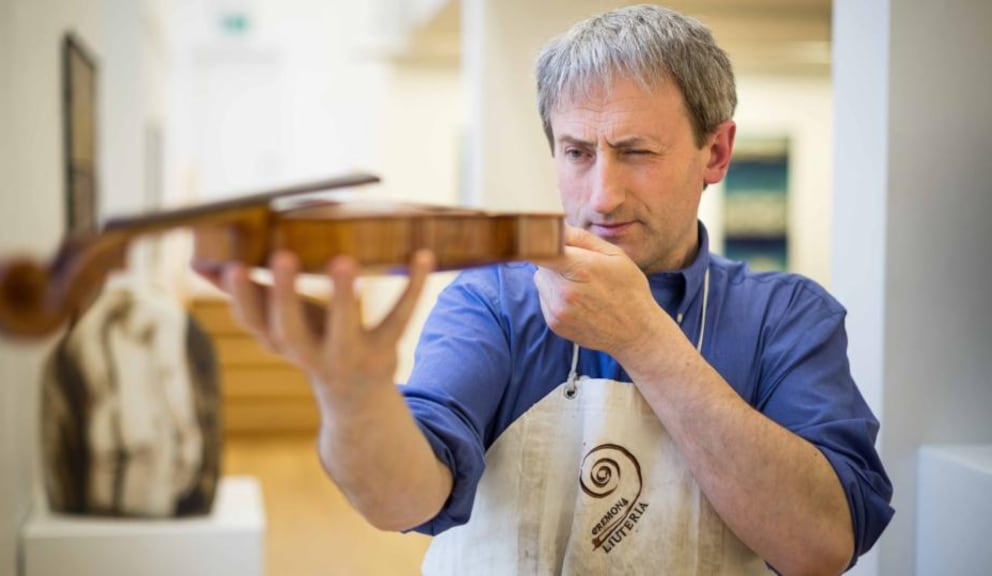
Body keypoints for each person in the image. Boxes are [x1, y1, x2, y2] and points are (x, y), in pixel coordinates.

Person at [211, 4, 893, 574]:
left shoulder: (788, 317)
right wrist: (353, 395)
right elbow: (401, 500)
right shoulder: (495, 300)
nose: (602, 196)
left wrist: (642, 336)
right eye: (577, 152)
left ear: (715, 153)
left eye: (637, 153)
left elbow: (822, 545)